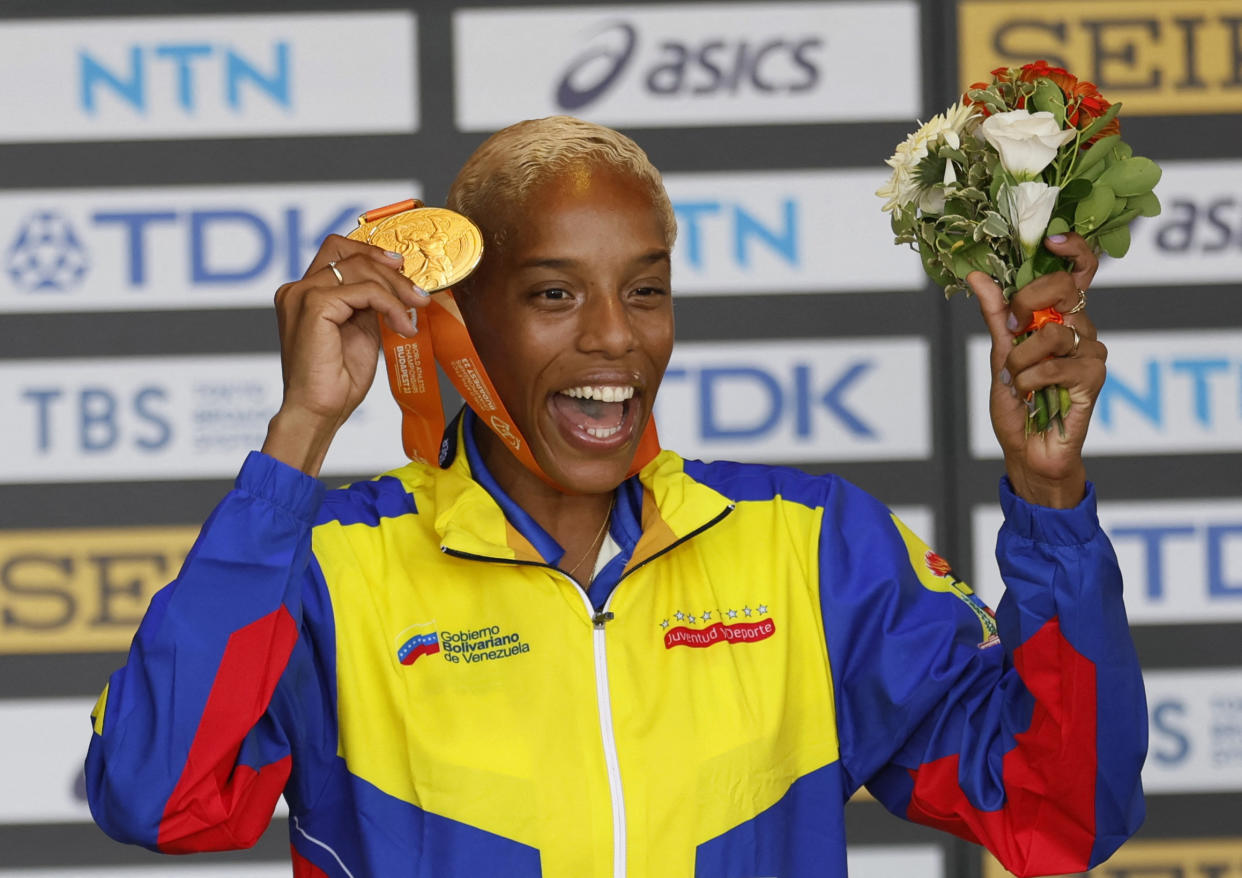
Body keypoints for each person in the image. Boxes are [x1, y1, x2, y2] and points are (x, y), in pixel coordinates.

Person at [85, 116, 1146, 878]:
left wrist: (1048, 496)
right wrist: (300, 435)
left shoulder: (812, 544)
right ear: (458, 322)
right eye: (553, 293)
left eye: (646, 289)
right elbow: (151, 791)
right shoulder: (329, 565)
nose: (614, 336)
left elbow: (1059, 808)